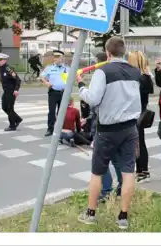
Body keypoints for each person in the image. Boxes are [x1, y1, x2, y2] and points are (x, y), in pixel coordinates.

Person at [76, 37, 142, 229]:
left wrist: (81, 86)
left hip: (107, 130)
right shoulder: (134, 71)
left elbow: (93, 99)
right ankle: (123, 217)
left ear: (108, 53)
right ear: (123, 52)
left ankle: (90, 213)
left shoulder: (102, 71)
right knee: (128, 171)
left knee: (97, 171)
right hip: (130, 128)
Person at [128, 51, 155, 183]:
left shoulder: (138, 78)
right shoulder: (146, 76)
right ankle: (142, 170)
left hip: (136, 114)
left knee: (138, 144)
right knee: (140, 143)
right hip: (141, 112)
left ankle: (142, 172)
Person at [42, 50, 69, 137]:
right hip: (53, 92)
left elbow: (70, 80)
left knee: (62, 111)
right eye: (55, 57)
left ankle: (61, 128)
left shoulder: (67, 69)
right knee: (52, 111)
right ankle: (50, 129)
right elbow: (42, 76)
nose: (55, 59)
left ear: (62, 58)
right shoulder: (49, 68)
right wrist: (46, 83)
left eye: (58, 57)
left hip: (63, 93)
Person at [0, 53, 22, 131]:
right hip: (6, 91)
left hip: (11, 91)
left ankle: (12, 126)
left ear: (5, 60)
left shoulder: (8, 69)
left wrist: (16, 90)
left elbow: (18, 80)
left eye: (0, 60)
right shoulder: (1, 68)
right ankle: (17, 119)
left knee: (9, 108)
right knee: (4, 107)